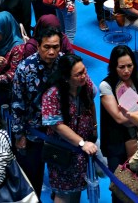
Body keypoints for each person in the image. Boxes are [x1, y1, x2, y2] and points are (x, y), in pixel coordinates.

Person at [11, 26, 64, 193]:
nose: (51, 52)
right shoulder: (25, 69)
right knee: (32, 179)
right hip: (33, 132)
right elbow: (18, 104)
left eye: (55, 47)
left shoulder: (65, 64)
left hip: (61, 131)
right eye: (47, 47)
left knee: (63, 178)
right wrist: (19, 135)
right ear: (38, 46)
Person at [41, 54, 98, 203]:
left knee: (77, 188)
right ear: (66, 77)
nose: (83, 76)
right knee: (63, 192)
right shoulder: (52, 94)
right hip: (62, 150)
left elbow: (91, 102)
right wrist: (81, 143)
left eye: (84, 71)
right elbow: (57, 126)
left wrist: (94, 127)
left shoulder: (85, 83)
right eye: (78, 74)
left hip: (82, 151)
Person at [99, 46, 138, 180]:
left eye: (129, 66)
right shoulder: (106, 85)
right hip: (117, 142)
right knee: (120, 183)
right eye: (121, 67)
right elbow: (119, 118)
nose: (126, 71)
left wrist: (133, 115)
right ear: (114, 67)